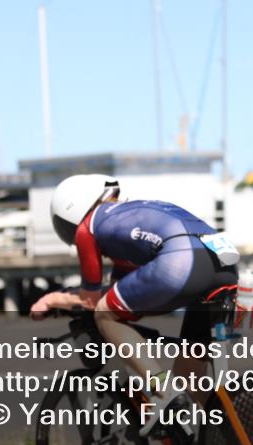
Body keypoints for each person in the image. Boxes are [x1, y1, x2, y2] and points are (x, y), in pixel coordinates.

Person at [30, 174, 238, 429]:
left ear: (73, 211)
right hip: (223, 263)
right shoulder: (128, 219)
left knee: (105, 314)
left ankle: (160, 387)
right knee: (189, 382)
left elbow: (90, 300)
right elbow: (122, 292)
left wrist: (53, 299)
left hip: (180, 261)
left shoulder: (88, 226)